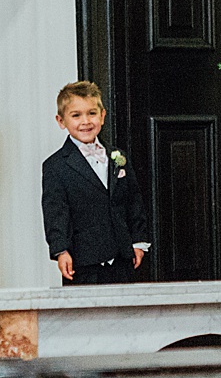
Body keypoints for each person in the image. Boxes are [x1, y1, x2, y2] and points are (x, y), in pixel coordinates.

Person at [41, 81, 151, 285]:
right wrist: (61, 251)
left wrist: (138, 242)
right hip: (83, 262)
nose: (85, 121)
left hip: (122, 259)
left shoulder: (118, 156)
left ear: (102, 115)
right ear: (61, 120)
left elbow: (133, 201)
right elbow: (56, 212)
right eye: (76, 115)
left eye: (92, 113)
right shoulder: (55, 166)